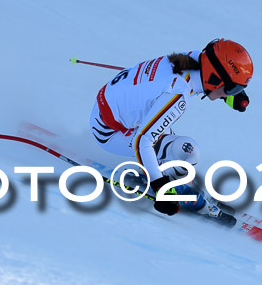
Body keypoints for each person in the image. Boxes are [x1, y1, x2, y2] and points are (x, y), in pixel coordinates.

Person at [90, 38, 253, 218]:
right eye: (232, 89)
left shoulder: (192, 59)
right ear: (215, 79)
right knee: (189, 153)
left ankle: (167, 172)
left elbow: (213, 66)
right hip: (110, 131)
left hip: (110, 110)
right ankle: (166, 183)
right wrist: (160, 189)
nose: (232, 93)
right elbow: (142, 141)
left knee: (172, 148)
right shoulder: (178, 94)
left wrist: (230, 94)